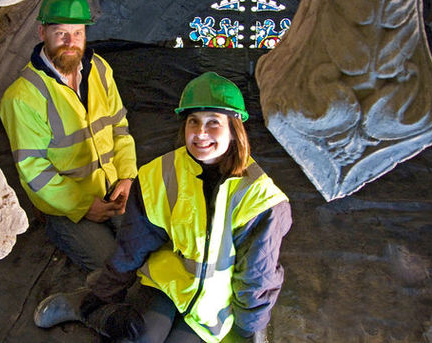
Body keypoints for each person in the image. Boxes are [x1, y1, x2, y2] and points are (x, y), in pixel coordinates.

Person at [34, 72, 292, 343]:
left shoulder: (261, 200)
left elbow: (256, 275)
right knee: (139, 337)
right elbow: (132, 245)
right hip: (168, 283)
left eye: (213, 122)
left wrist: (245, 330)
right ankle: (81, 306)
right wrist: (99, 297)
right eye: (193, 121)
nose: (201, 133)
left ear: (234, 130)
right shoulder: (159, 174)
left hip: (215, 303)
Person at [0, 0, 137, 271]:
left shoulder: (99, 69)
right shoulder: (22, 97)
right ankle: (58, 229)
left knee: (146, 247)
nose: (70, 42)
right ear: (42, 33)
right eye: (61, 33)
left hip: (113, 187)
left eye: (78, 33)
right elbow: (34, 171)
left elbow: (119, 126)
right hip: (67, 204)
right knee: (111, 268)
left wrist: (127, 176)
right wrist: (84, 206)